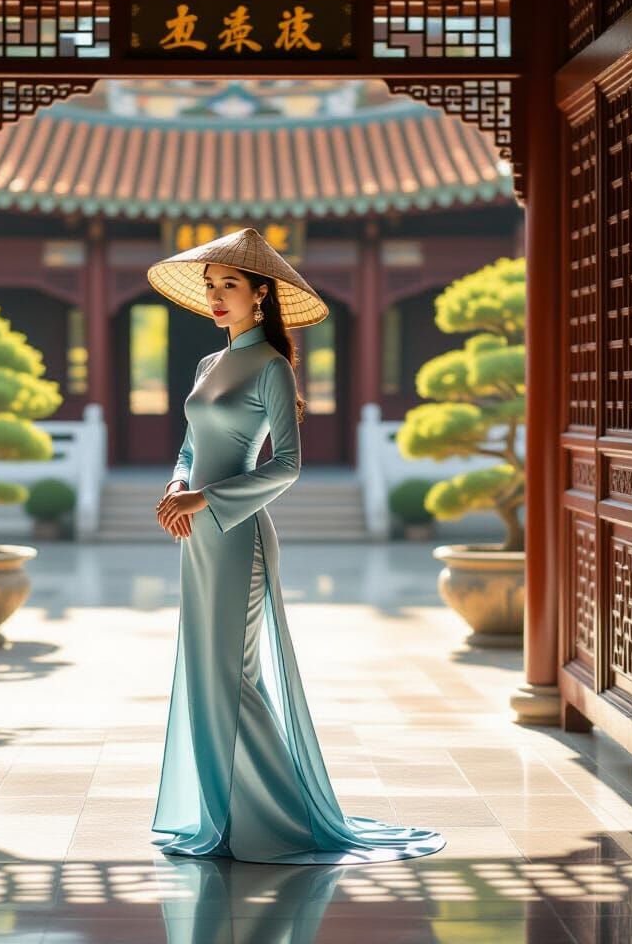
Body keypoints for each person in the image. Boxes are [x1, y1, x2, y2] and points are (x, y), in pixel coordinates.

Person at [146, 227, 445, 865]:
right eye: (211, 286)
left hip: (237, 536)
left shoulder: (272, 366)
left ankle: (278, 816)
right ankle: (223, 815)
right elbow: (190, 447)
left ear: (261, 294)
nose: (216, 296)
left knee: (234, 677)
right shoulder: (208, 366)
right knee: (204, 673)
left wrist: (204, 499)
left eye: (230, 285)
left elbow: (286, 465)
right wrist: (176, 484)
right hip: (197, 539)